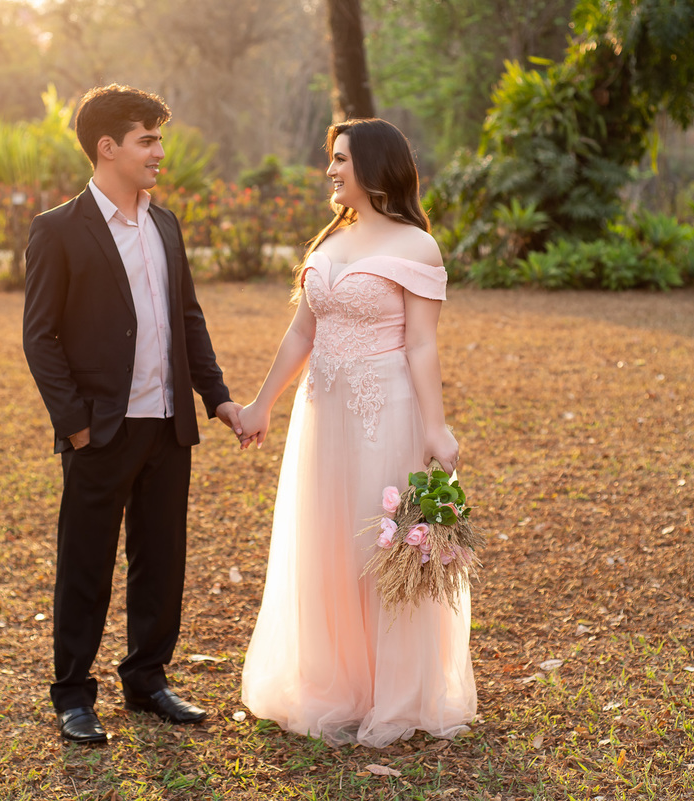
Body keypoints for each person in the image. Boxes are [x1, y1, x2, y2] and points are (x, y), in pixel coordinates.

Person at [237, 118, 477, 746]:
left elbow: (421, 345)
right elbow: (302, 331)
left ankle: (393, 690)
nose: (331, 170)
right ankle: (336, 681)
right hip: (323, 415)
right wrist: (262, 404)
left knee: (378, 546)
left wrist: (436, 427)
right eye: (332, 159)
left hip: (384, 412)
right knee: (327, 539)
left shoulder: (416, 246)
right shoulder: (331, 240)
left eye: (342, 159)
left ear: (374, 166)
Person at [23, 84, 243, 745]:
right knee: (85, 563)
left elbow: (187, 318)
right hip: (101, 430)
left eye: (159, 140)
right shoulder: (58, 229)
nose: (159, 152)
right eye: (147, 140)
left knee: (162, 559)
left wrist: (217, 397)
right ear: (107, 147)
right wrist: (76, 423)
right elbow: (40, 336)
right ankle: (73, 694)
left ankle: (147, 678)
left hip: (169, 425)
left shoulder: (165, 224)